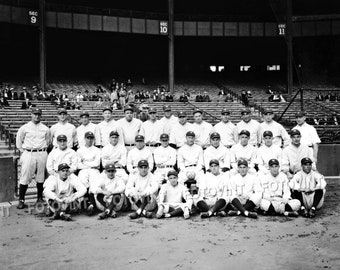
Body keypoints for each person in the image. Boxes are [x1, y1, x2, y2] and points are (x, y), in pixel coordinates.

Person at [16, 108, 50, 209]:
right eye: (35, 114)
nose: (37, 116)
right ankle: (21, 200)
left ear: (41, 115)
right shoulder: (25, 127)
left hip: (42, 152)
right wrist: (24, 151)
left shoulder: (45, 128)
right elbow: (19, 141)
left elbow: (48, 141)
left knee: (41, 176)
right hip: (29, 153)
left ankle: (39, 197)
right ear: (31, 114)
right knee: (25, 176)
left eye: (39, 114)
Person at [76, 131, 101, 215]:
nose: (89, 140)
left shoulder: (97, 150)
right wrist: (90, 164)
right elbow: (78, 165)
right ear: (84, 139)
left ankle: (92, 204)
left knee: (94, 182)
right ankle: (89, 203)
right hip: (84, 170)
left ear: (93, 139)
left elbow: (97, 163)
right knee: (82, 179)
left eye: (91, 138)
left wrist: (85, 162)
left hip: (94, 170)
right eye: (88, 138)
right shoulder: (80, 150)